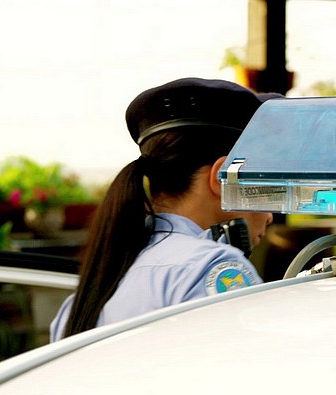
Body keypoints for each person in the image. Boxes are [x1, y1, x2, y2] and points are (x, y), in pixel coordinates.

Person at [50, 77, 275, 342]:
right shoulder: (212, 269)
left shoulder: (85, 296)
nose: (270, 215)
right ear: (222, 179)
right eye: (265, 184)